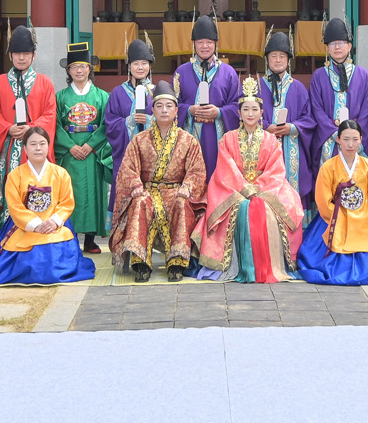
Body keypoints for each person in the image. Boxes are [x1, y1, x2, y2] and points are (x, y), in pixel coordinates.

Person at [195, 77, 303, 283]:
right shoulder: (227, 138)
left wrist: (258, 188)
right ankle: (236, 266)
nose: (250, 114)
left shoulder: (271, 140)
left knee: (267, 208)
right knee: (242, 208)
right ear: (239, 113)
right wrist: (245, 188)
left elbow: (276, 170)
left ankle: (269, 265)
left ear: (262, 113)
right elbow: (225, 169)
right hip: (234, 190)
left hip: (267, 189)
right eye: (246, 109)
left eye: (255, 109)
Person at [110, 83, 207, 281]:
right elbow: (127, 168)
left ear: (176, 110)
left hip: (176, 191)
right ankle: (141, 263)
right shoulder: (139, 140)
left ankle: (177, 262)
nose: (164, 110)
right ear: (152, 110)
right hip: (147, 190)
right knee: (140, 203)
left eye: (169, 106)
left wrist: (187, 187)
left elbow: (197, 171)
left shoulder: (188, 140)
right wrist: (135, 186)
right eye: (159, 106)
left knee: (181, 204)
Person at [0, 126, 97, 285]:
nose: (38, 148)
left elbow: (67, 203)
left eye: (42, 144)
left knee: (52, 253)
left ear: (48, 146)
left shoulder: (60, 173)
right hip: (23, 224)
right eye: (33, 144)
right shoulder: (15, 175)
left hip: (53, 223)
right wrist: (35, 225)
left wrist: (53, 222)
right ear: (25, 148)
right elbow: (15, 207)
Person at [298, 120, 368, 285]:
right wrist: (340, 216)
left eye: (355, 139)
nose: (350, 144)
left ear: (361, 139)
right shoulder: (328, 167)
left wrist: (362, 215)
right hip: (335, 215)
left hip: (364, 215)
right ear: (338, 139)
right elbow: (323, 199)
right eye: (346, 139)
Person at [0, 25, 56, 224]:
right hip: (7, 144)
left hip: (34, 146)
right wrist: (8, 128)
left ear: (34, 56)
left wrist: (32, 129)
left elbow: (50, 114)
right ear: (10, 56)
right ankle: (6, 226)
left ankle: (37, 224)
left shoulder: (44, 83)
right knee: (7, 181)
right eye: (17, 54)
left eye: (26, 54)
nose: (22, 58)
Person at [54, 41, 111, 253]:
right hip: (69, 153)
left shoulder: (102, 96)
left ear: (90, 69)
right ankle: (69, 236)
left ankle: (89, 239)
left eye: (83, 66)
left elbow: (107, 123)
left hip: (92, 152)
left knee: (93, 193)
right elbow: (55, 125)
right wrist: (70, 146)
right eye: (74, 67)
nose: (79, 70)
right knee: (69, 193)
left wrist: (90, 145)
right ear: (68, 71)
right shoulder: (60, 97)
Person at [177, 14, 241, 177]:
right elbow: (172, 105)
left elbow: (237, 105)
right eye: (200, 42)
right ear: (194, 43)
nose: (205, 46)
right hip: (189, 135)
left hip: (217, 135)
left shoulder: (228, 72)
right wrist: (189, 110)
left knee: (217, 176)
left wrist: (219, 112)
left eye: (209, 42)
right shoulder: (181, 72)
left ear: (215, 43)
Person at [259, 31, 316, 212]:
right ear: (267, 59)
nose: (278, 60)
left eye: (282, 56)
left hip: (292, 148)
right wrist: (266, 127)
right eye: (273, 56)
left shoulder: (298, 88)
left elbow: (309, 118)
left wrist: (292, 127)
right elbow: (246, 116)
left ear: (288, 60)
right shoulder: (257, 86)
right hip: (264, 146)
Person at [310, 18, 368, 173]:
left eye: (341, 43)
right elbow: (316, 108)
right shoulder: (319, 75)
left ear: (349, 46)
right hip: (329, 137)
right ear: (327, 48)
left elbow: (366, 109)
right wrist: (334, 132)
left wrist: (354, 134)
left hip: (355, 138)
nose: (337, 47)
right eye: (332, 43)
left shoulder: (362, 74)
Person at [103, 38, 157, 216]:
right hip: (126, 153)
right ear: (129, 66)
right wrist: (129, 121)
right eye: (136, 63)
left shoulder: (157, 92)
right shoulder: (118, 93)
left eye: (144, 63)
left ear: (150, 65)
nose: (140, 67)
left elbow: (170, 119)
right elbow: (110, 123)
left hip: (152, 153)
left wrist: (150, 120)